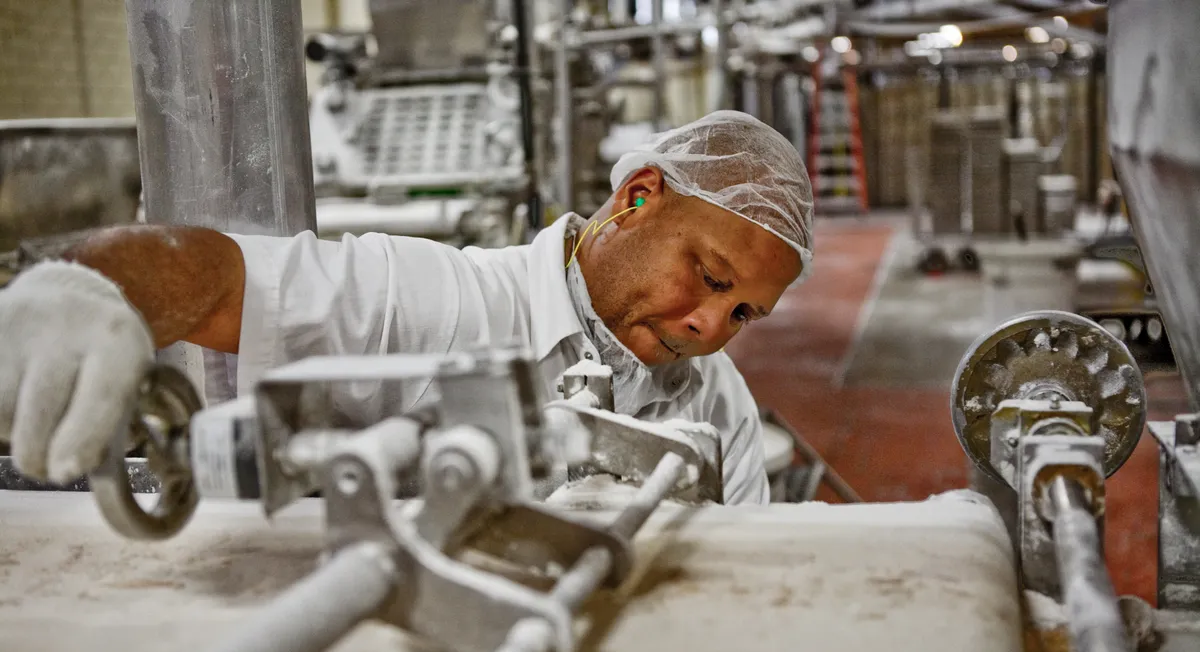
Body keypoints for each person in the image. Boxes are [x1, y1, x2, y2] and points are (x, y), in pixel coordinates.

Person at [0, 110, 813, 504]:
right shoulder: (436, 301)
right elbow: (216, 274)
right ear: (637, 197)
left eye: (744, 314)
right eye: (709, 278)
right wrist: (86, 289)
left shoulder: (719, 408)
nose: (709, 329)